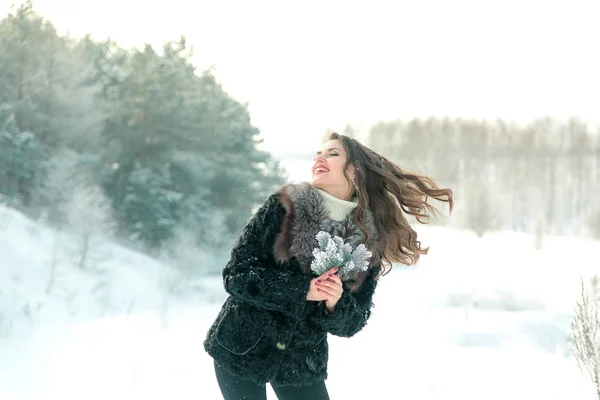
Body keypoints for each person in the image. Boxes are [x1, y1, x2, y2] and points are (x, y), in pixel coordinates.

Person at [203, 132, 454, 400]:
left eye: (332, 153)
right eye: (318, 155)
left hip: (302, 361)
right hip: (242, 346)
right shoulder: (285, 206)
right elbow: (237, 275)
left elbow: (354, 320)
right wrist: (303, 290)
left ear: (355, 171)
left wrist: (335, 302)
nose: (319, 159)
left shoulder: (367, 238)